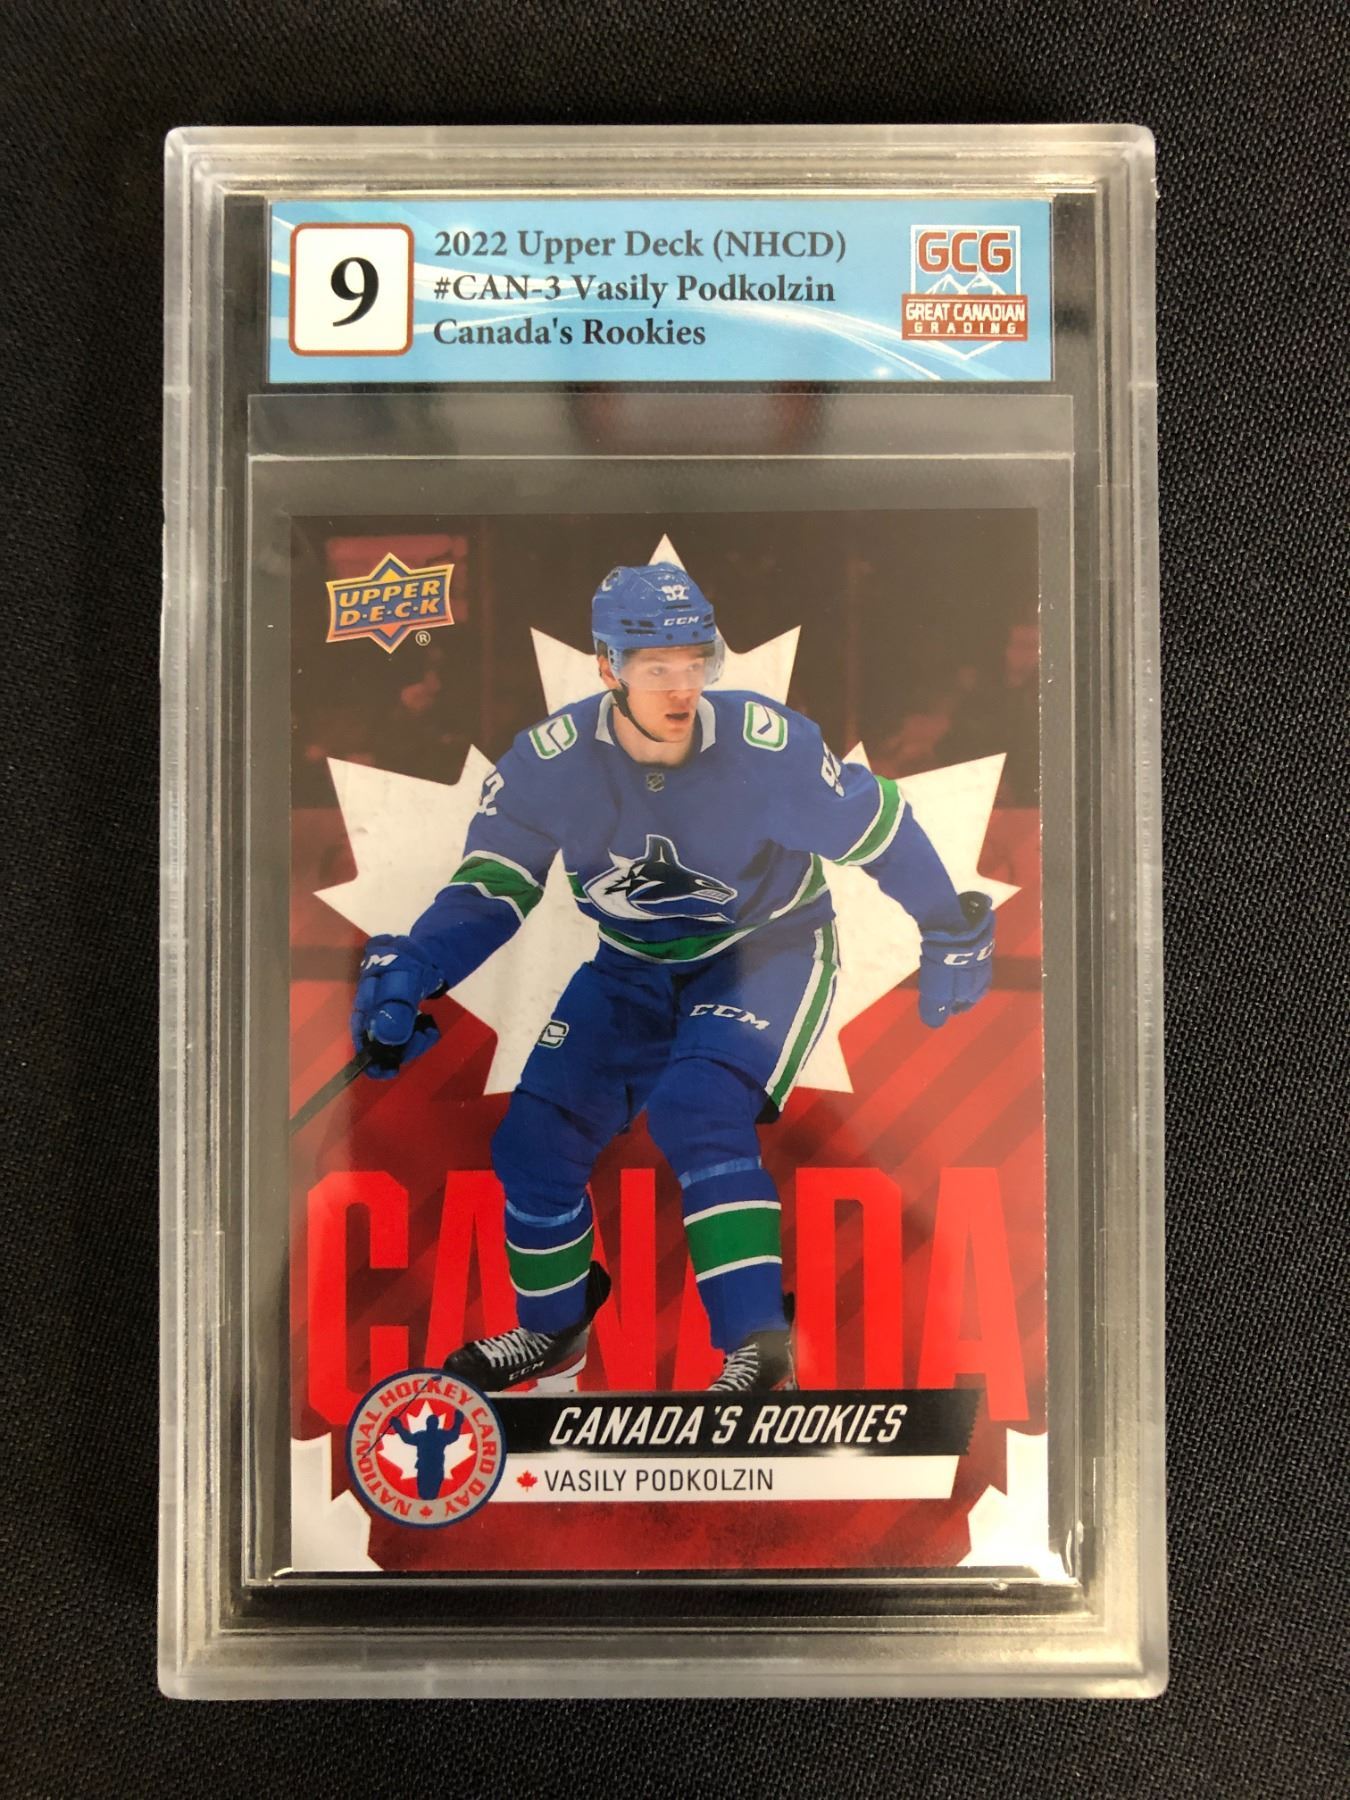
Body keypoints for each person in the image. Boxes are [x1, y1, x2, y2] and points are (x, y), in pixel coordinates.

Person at [350, 564, 994, 1394]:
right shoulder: (549, 764)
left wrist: (948, 925)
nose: (682, 687)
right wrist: (416, 966)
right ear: (607, 667)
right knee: (533, 1142)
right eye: (657, 667)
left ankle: (758, 1348)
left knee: (698, 1108)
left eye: (695, 662)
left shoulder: (766, 748)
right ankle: (553, 1329)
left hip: (766, 950)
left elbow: (882, 828)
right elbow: (491, 888)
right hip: (633, 964)